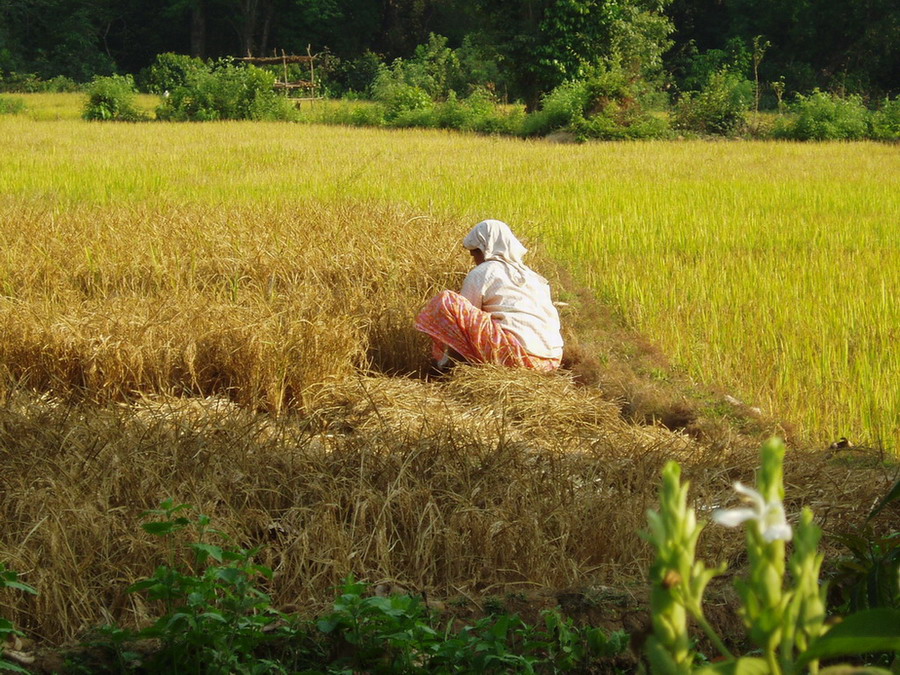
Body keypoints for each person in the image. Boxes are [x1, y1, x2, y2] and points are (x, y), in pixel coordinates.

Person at [415, 219, 563, 372]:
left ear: (485, 249)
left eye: (475, 253)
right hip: (551, 361)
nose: (474, 259)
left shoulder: (483, 272)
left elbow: (462, 323)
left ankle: (448, 367)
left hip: (516, 357)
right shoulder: (534, 277)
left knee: (447, 301)